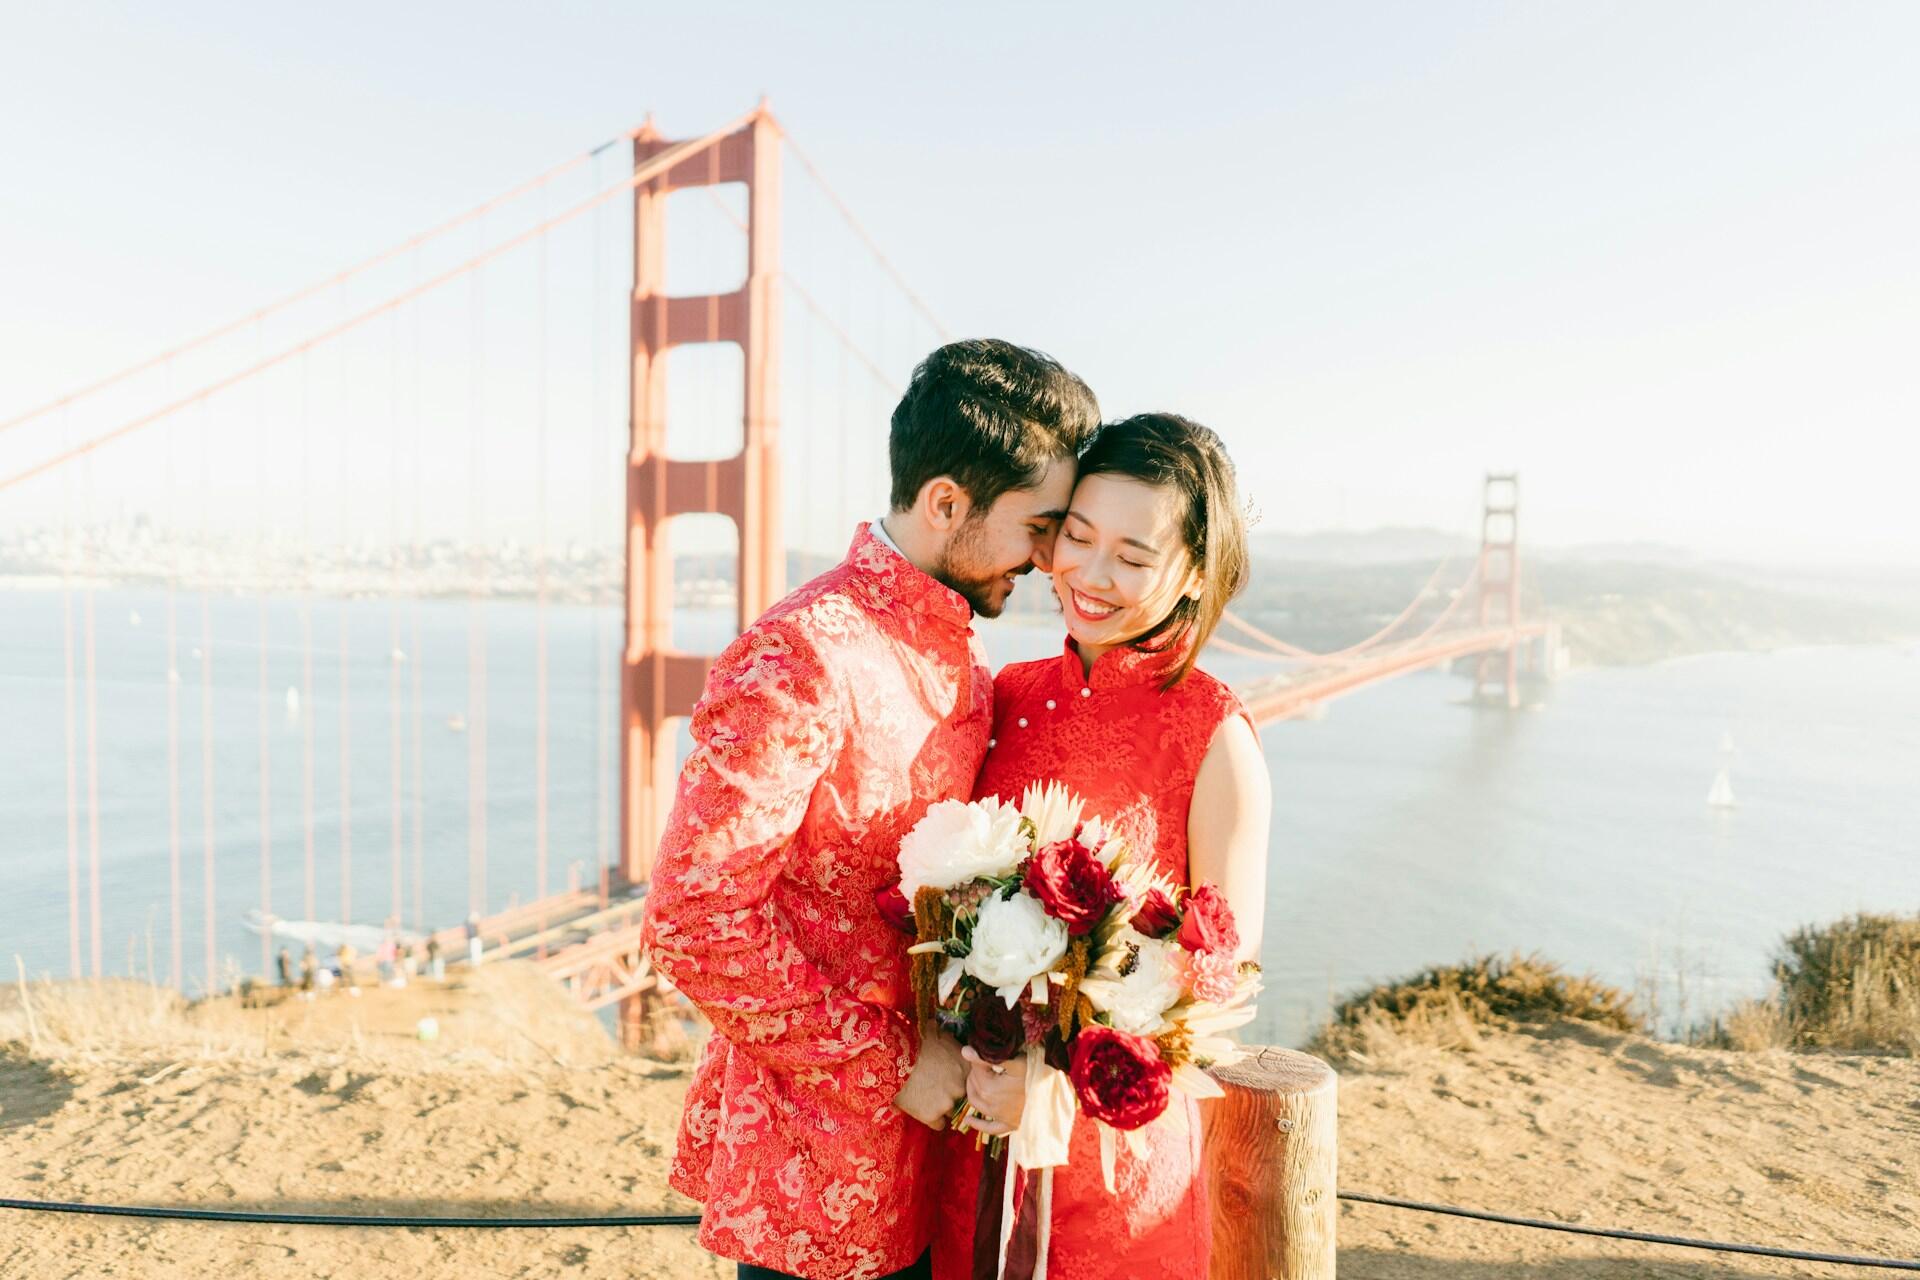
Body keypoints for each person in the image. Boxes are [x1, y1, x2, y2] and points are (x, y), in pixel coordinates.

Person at [641, 339, 1100, 1280]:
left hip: (942, 1164)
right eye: (1040, 526)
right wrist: (894, 1070)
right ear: (944, 504)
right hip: (815, 1177)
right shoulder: (801, 656)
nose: (1052, 559)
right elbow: (695, 920)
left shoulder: (963, 663)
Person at [927, 413, 1272, 1280]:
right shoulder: (1003, 695)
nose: (1090, 573)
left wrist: (1052, 1080)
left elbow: (1220, 988)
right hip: (976, 1141)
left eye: (1133, 555)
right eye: (1076, 537)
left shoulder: (1213, 734)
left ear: (1194, 571)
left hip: (1118, 1165)